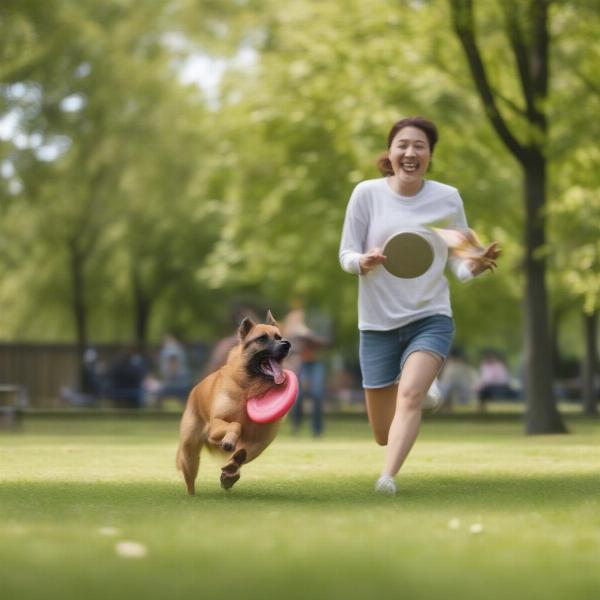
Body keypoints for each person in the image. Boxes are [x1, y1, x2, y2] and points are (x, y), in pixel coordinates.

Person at [339, 116, 499, 494]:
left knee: (409, 396)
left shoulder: (446, 199)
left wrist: (473, 266)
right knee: (382, 431)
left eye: (420, 146)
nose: (410, 152)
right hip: (377, 324)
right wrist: (361, 261)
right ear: (390, 152)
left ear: (429, 155)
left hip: (430, 317)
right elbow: (346, 252)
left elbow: (458, 263)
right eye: (403, 145)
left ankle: (386, 478)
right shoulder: (367, 194)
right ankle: (418, 390)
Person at [281, 301, 329, 437]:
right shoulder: (293, 317)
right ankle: (296, 426)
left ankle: (317, 431)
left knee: (317, 394)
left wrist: (309, 336)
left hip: (316, 362)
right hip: (299, 362)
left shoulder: (320, 318)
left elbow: (327, 341)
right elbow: (286, 342)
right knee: (297, 396)